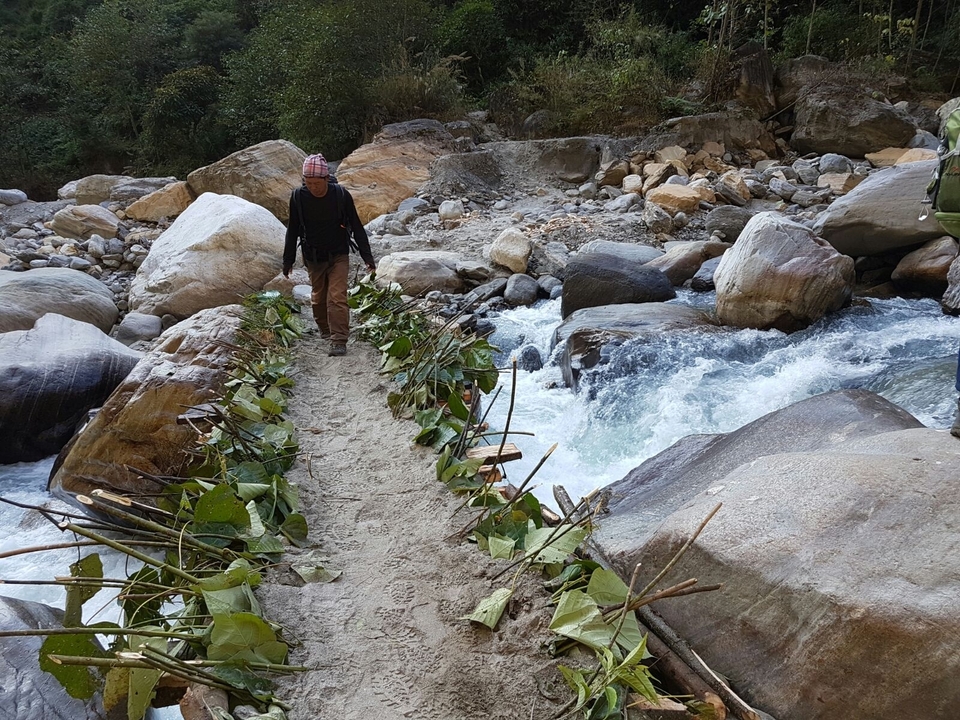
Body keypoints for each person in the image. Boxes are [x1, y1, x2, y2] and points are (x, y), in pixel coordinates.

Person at [283, 153, 376, 356]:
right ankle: (325, 328)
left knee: (337, 296)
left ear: (326, 178)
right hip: (313, 256)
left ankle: (339, 339)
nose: (313, 188)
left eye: (317, 183)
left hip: (339, 254)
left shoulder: (341, 195)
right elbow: (293, 230)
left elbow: (357, 227)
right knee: (319, 297)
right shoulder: (298, 197)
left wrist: (367, 257)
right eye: (309, 183)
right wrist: (287, 260)